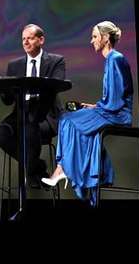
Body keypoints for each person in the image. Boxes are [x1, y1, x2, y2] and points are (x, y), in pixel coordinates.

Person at [42, 21, 133, 205]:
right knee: (70, 119)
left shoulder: (115, 59)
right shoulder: (111, 60)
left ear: (105, 38)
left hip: (117, 115)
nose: (91, 41)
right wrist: (94, 107)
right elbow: (113, 98)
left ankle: (64, 169)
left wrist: (99, 107)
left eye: (94, 37)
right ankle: (77, 174)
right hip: (110, 110)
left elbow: (115, 101)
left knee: (68, 120)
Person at [0, 24, 66, 188]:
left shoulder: (56, 61)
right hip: (21, 115)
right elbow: (8, 101)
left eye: (30, 38)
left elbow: (55, 88)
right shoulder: (14, 65)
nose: (25, 42)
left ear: (41, 40)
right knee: (0, 134)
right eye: (23, 39)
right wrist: (2, 87)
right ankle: (37, 168)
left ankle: (33, 173)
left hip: (45, 115)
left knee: (29, 127)